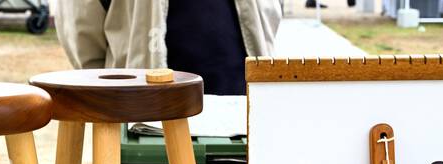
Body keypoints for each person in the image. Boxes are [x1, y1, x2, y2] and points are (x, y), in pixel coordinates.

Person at [57, 0, 280, 95]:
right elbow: (82, 30)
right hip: (149, 120)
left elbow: (267, 13)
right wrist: (114, 90)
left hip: (242, 108)